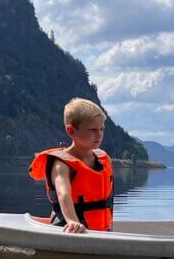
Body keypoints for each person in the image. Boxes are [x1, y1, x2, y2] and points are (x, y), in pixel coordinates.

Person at [29, 98, 114, 233]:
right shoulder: (62, 164)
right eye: (93, 129)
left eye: (101, 129)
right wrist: (72, 221)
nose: (99, 135)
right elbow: (64, 194)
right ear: (72, 131)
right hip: (70, 230)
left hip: (101, 232)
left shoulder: (102, 159)